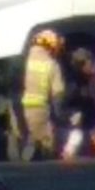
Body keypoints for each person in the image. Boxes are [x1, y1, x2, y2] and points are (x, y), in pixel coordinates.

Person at [20, 30, 65, 161]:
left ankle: (24, 156)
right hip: (39, 110)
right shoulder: (52, 64)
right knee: (45, 142)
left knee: (24, 137)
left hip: (19, 110)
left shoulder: (24, 60)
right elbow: (58, 94)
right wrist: (59, 115)